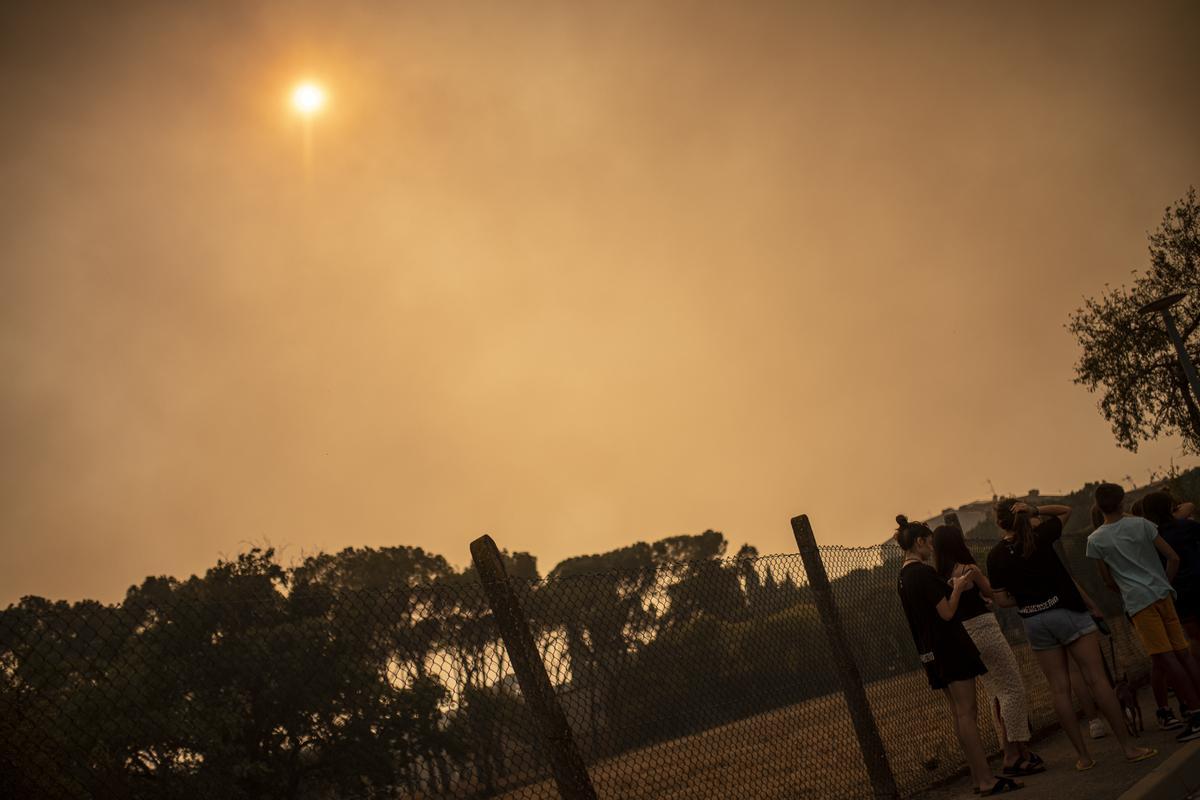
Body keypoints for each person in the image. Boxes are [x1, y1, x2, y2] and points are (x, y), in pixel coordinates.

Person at [986, 498, 1157, 770]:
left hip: (1034, 621)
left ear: (999, 523)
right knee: (1096, 680)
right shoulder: (1040, 536)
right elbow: (1066, 510)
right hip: (1067, 610)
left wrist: (1027, 599)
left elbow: (1002, 600)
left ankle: (1083, 757)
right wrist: (1035, 510)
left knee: (1059, 690)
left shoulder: (994, 556)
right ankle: (1129, 747)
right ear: (1022, 516)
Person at [896, 515, 1023, 795]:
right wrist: (957, 588)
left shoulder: (903, 577)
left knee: (959, 714)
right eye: (929, 543)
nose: (932, 549)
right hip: (950, 648)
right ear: (919, 542)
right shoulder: (923, 573)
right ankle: (987, 779)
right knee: (968, 714)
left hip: (931, 652)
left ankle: (978, 778)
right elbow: (947, 612)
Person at [1088, 482, 1200, 742]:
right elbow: (1172, 557)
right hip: (1163, 594)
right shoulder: (1143, 525)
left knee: (1165, 658)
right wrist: (1163, 581)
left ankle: (1195, 714)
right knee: (1183, 652)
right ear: (1122, 502)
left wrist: (1129, 589)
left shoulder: (1095, 541)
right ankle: (1197, 706)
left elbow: (1106, 580)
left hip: (1138, 603)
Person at [932, 524, 1043, 777]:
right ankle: (1017, 753)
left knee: (996, 693)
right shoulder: (968, 569)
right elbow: (990, 591)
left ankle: (1009, 751)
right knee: (1012, 689)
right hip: (985, 630)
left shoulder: (939, 577)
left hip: (965, 637)